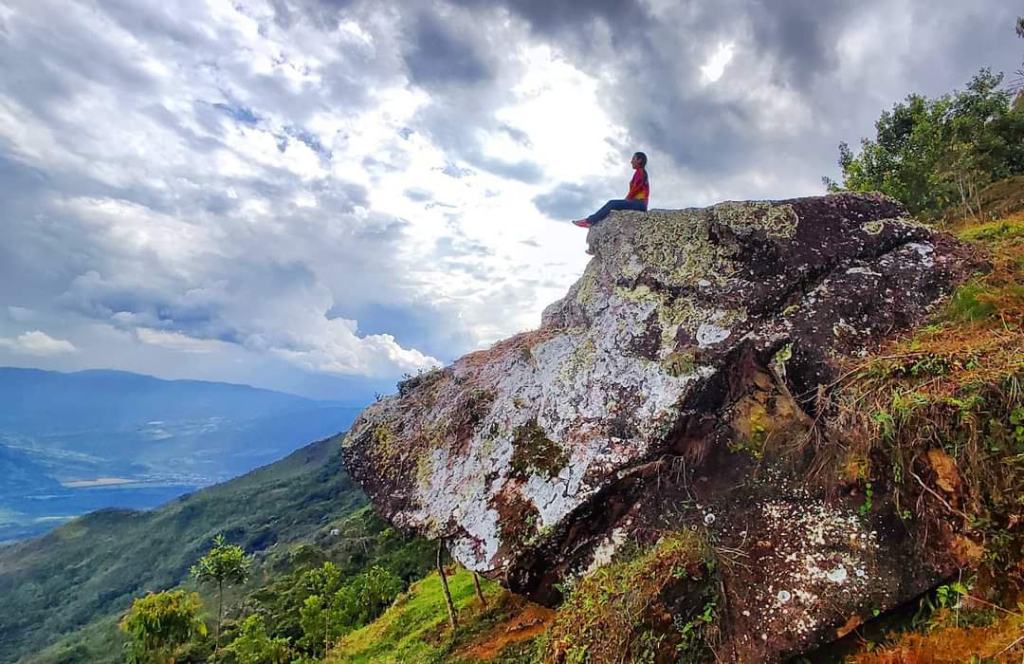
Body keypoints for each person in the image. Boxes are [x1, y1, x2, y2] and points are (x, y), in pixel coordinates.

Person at [572, 152, 649, 228]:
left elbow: (635, 189)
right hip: (639, 203)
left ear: (639, 160)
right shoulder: (640, 172)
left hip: (639, 204)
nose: (631, 161)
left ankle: (589, 221)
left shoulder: (640, 172)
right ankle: (589, 220)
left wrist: (626, 200)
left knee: (612, 203)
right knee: (612, 203)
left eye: (633, 159)